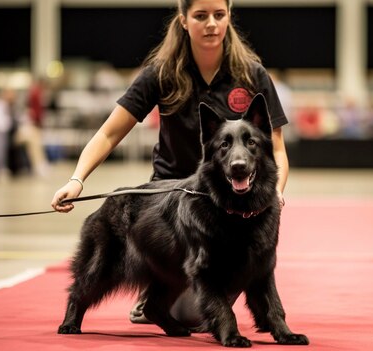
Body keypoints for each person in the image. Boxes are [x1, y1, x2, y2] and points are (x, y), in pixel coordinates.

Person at [50, 0, 290, 326]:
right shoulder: (161, 73)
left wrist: (276, 191)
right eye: (201, 16)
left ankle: (161, 291)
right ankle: (155, 283)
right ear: (183, 20)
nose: (211, 24)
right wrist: (77, 179)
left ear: (229, 17)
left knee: (207, 303)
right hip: (170, 204)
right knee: (194, 314)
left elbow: (276, 147)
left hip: (230, 200)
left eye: (219, 15)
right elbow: (108, 134)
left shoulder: (251, 74)